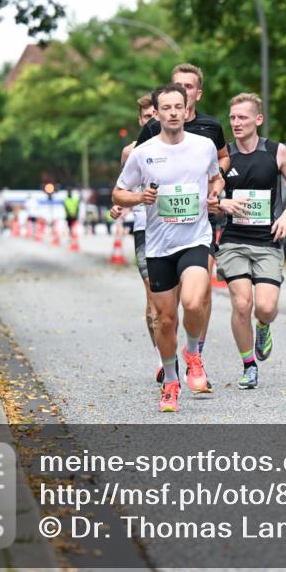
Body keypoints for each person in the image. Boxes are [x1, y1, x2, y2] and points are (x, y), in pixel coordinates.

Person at [112, 83, 224, 413]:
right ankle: (171, 381)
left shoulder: (204, 146)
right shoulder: (142, 152)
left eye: (179, 107)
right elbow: (119, 193)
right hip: (159, 245)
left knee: (192, 302)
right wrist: (139, 198)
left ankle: (193, 354)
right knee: (164, 320)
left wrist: (215, 194)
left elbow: (216, 177)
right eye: (167, 108)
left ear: (187, 110)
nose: (174, 112)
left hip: (195, 238)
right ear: (157, 113)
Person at [137, 64, 230, 363]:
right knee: (165, 305)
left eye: (188, 87)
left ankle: (196, 353)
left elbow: (222, 160)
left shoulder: (210, 128)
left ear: (197, 93)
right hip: (161, 228)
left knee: (198, 294)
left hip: (202, 218)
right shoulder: (154, 128)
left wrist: (214, 184)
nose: (183, 91)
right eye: (177, 85)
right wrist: (138, 195)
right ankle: (167, 356)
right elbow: (137, 165)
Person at [213, 93, 286, 390]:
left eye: (242, 117)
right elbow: (208, 195)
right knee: (242, 304)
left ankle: (263, 326)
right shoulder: (224, 156)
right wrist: (220, 203)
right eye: (232, 118)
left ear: (258, 120)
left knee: (264, 307)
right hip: (234, 240)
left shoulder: (276, 152)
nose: (236, 123)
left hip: (268, 240)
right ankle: (249, 365)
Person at [110, 94, 161, 379]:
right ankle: (162, 360)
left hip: (176, 229)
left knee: (177, 301)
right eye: (145, 118)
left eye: (154, 115)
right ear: (139, 121)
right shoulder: (131, 152)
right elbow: (122, 188)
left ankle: (186, 350)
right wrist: (120, 204)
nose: (150, 121)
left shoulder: (182, 145)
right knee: (154, 297)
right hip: (144, 228)